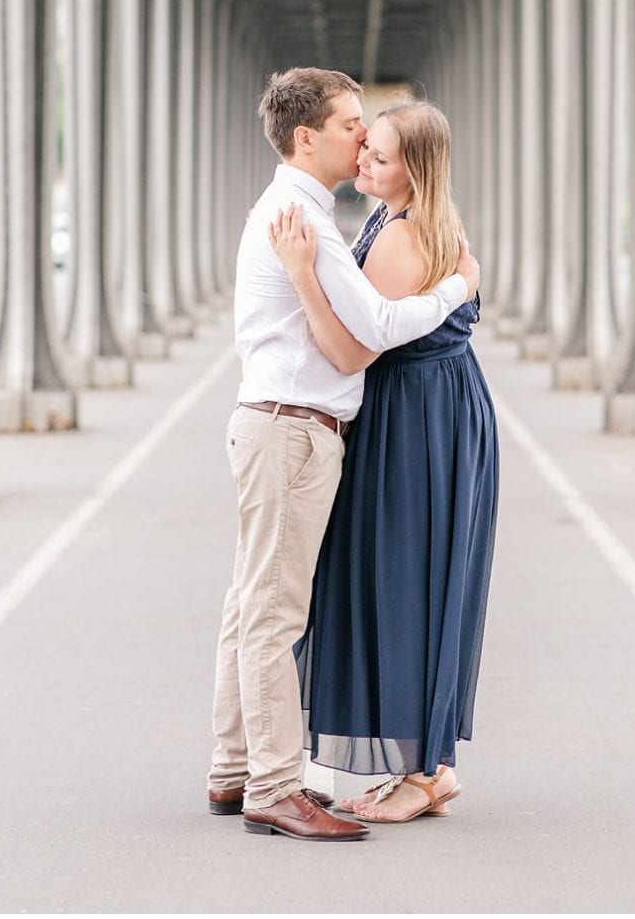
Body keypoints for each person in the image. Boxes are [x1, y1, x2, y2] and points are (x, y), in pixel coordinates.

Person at [208, 68, 480, 842]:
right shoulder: (306, 219)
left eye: (372, 132)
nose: (360, 137)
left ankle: (235, 770)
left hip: (279, 422)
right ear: (307, 137)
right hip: (291, 428)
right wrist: (460, 290)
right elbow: (373, 331)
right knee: (272, 613)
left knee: (250, 604)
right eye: (351, 124)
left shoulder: (303, 212)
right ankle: (271, 786)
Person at [270, 100, 499, 826]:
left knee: (411, 578)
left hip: (418, 420)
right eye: (365, 148)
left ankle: (429, 771)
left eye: (382, 156)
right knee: (414, 574)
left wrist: (302, 274)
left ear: (415, 169)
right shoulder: (395, 221)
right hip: (421, 411)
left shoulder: (400, 237)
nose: (364, 161)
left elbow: (355, 347)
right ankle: (426, 764)